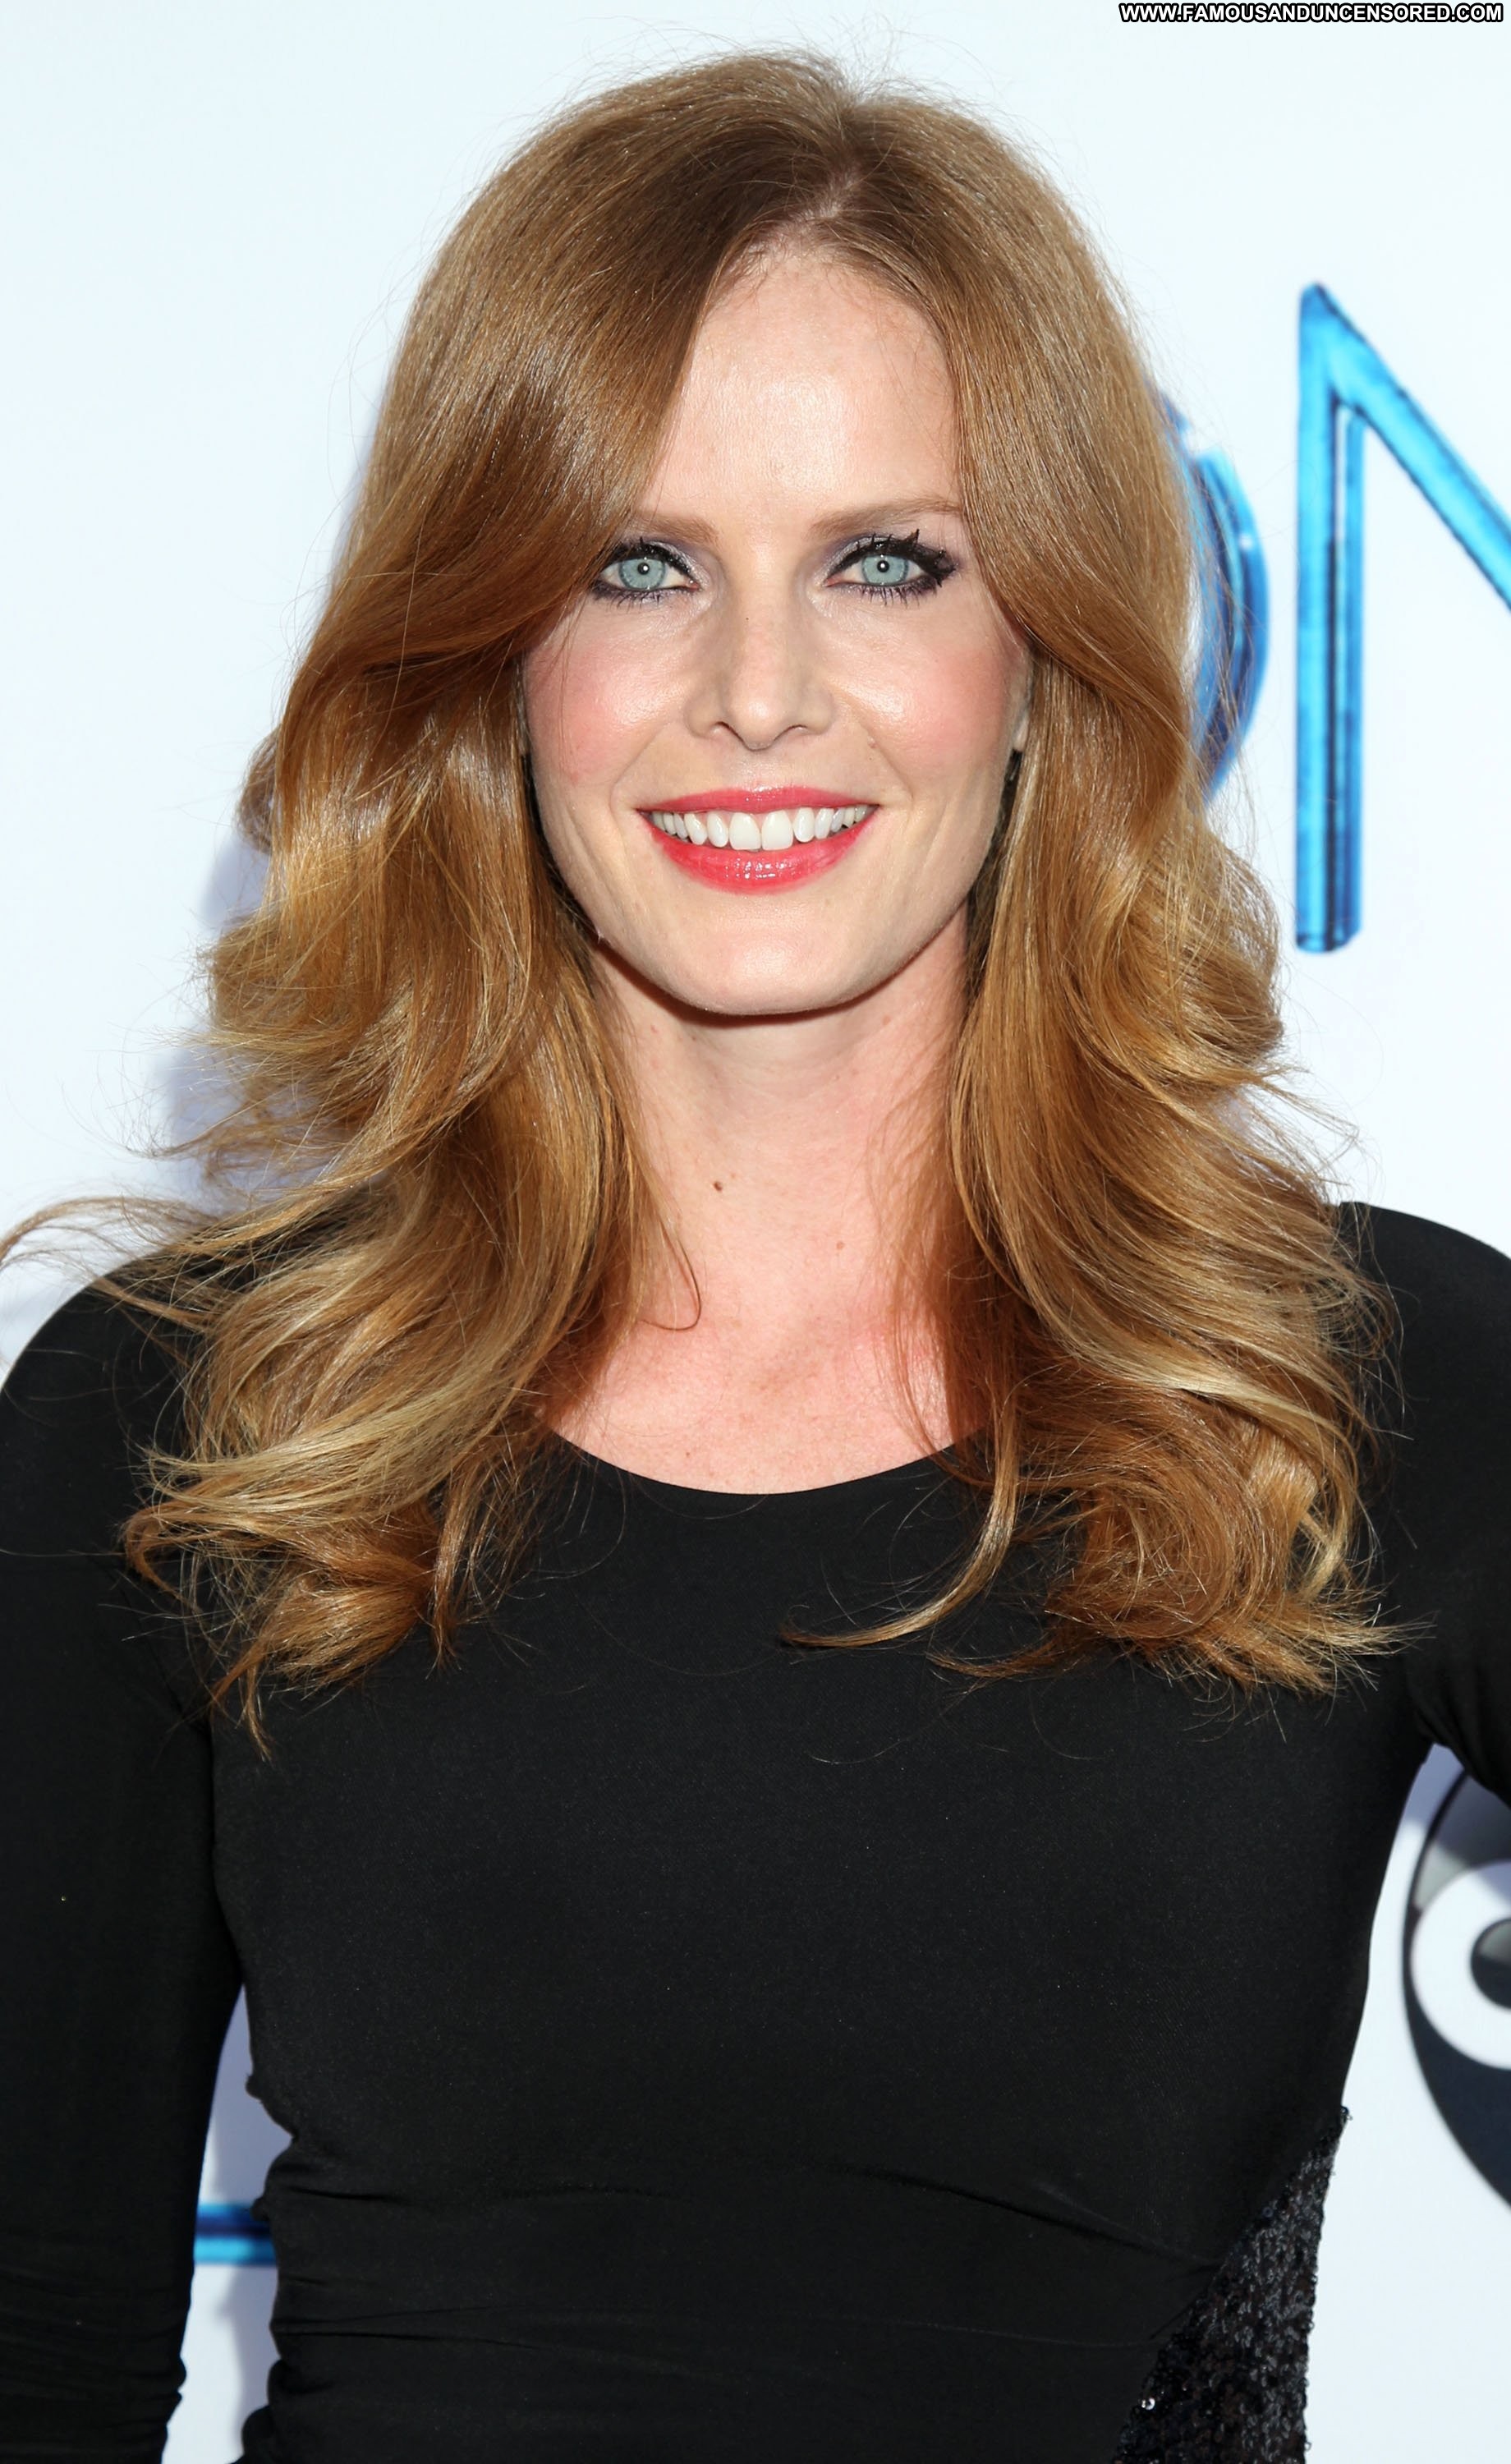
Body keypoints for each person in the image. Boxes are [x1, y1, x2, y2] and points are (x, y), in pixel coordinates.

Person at [2, 48, 1509, 2464]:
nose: (759, 693)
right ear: (493, 658)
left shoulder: (1352, 1387)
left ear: (1045, 660)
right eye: (641, 563)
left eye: (886, 561)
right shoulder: (194, 1420)